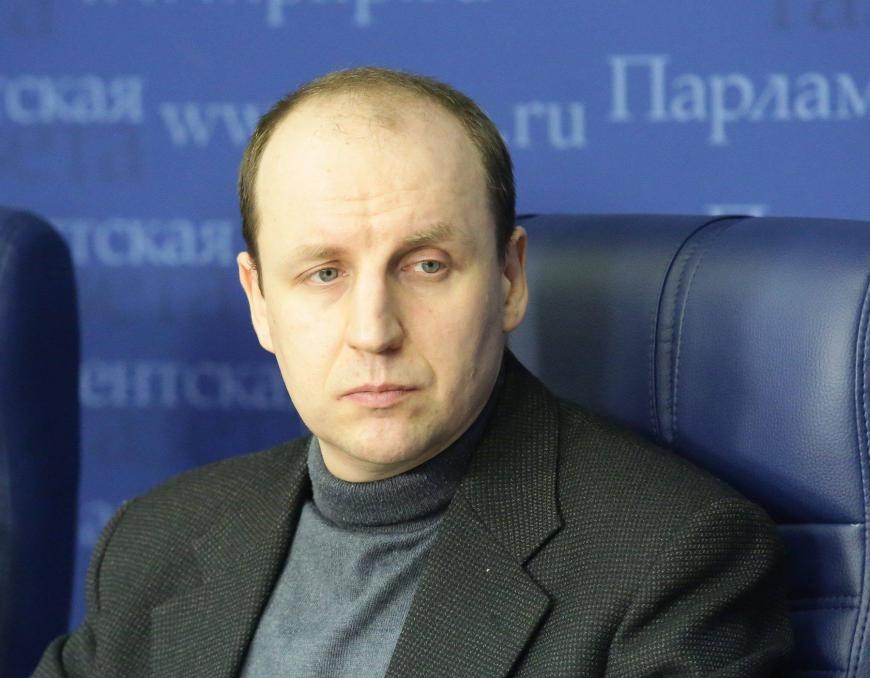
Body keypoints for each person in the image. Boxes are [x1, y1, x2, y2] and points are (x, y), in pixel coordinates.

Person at [34, 67, 792, 677]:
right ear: (259, 302)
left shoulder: (672, 558)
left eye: (426, 265)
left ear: (509, 279)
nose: (374, 331)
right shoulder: (155, 540)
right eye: (324, 273)